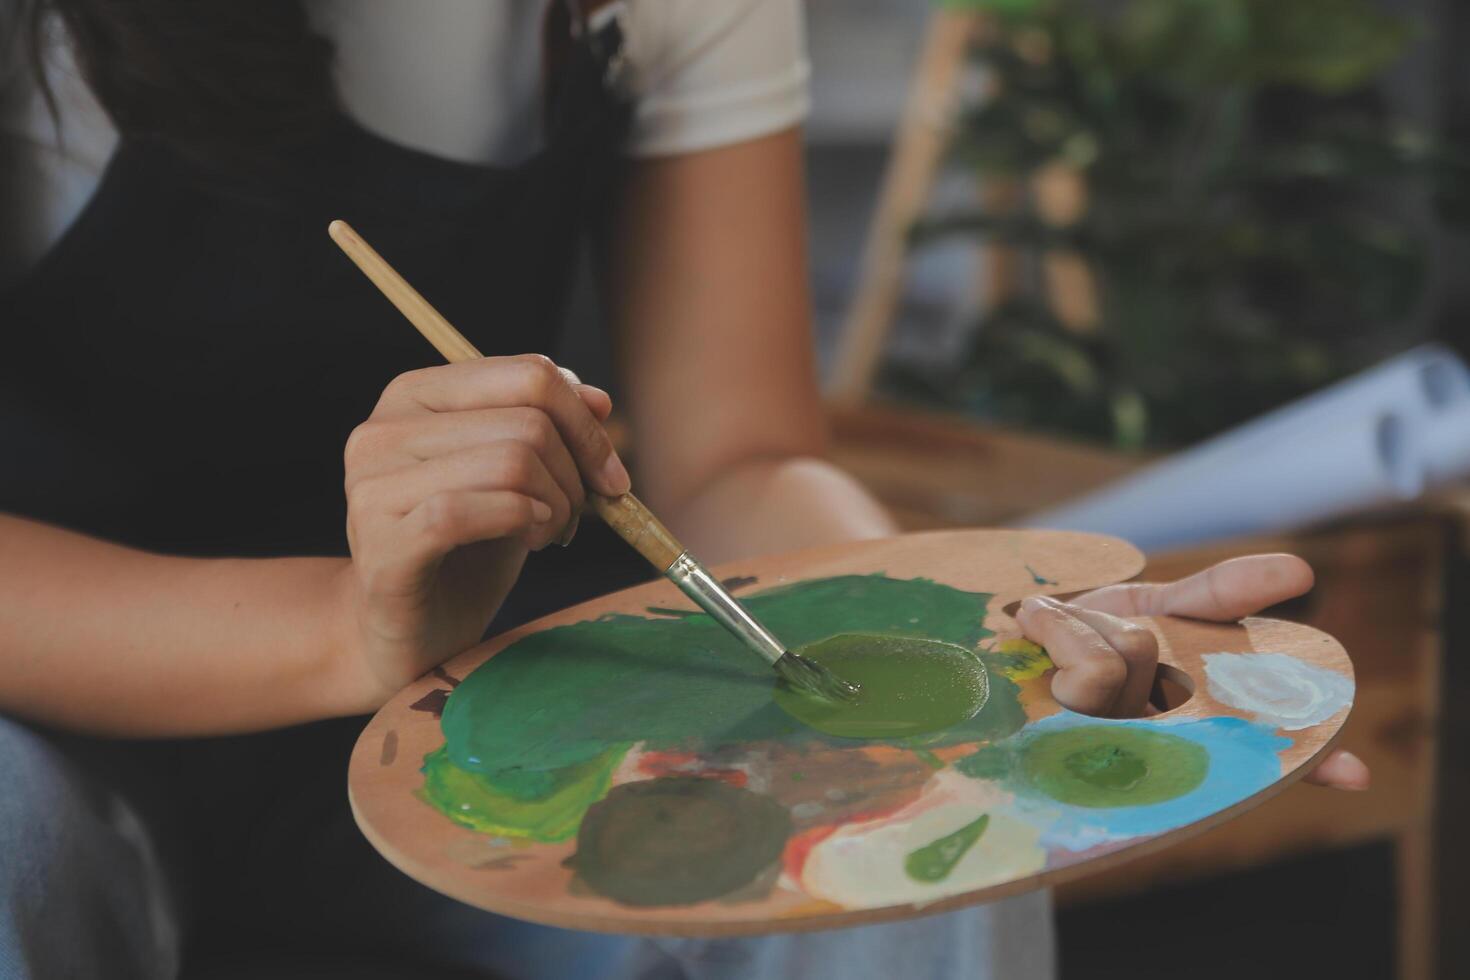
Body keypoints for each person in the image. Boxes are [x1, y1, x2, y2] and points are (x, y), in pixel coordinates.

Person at [0, 2, 1368, 978]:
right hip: (67, 698)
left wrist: (973, 629)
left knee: (917, 829)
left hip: (492, 685)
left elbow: (735, 461)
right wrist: (350, 632)